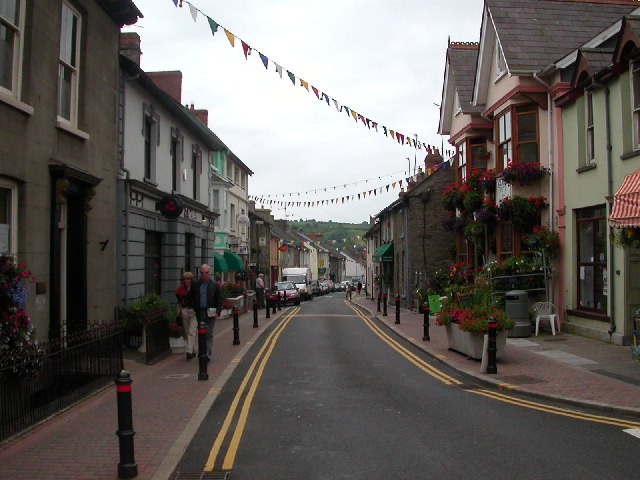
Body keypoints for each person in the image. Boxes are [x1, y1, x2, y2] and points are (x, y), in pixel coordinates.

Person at [187, 264, 222, 362]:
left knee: (209, 334)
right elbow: (190, 297)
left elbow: (219, 300)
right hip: (199, 311)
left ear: (209, 273)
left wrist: (218, 312)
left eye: (206, 273)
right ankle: (202, 353)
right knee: (201, 333)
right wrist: (194, 307)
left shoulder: (214, 285)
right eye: (202, 273)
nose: (204, 275)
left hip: (210, 312)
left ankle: (207, 354)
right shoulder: (195, 284)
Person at [176, 272, 197, 360]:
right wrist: (181, 310)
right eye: (184, 279)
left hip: (194, 311)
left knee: (192, 331)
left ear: (191, 280)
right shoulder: (180, 289)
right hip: (185, 310)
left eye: (188, 279)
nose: (186, 280)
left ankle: (188, 351)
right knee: (186, 331)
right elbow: (179, 301)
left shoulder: (195, 288)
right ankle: (192, 350)